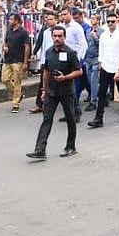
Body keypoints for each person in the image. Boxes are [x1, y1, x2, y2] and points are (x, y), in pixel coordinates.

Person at [27, 26, 83, 160]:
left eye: (60, 36)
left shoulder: (70, 52)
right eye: (55, 36)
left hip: (67, 91)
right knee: (47, 119)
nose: (57, 38)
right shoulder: (48, 52)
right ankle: (40, 149)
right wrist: (44, 90)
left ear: (64, 37)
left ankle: (71, 146)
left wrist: (66, 77)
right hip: (52, 91)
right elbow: (46, 71)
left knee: (70, 118)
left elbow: (79, 71)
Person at [87, 17, 119, 127]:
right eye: (109, 22)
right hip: (106, 66)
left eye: (113, 21)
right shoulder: (104, 35)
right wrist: (101, 67)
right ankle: (98, 118)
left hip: (117, 67)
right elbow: (101, 51)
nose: (111, 24)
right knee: (101, 93)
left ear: (116, 22)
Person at [2, 14, 31, 113]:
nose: (9, 21)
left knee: (17, 81)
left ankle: (15, 104)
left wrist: (25, 62)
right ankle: (18, 95)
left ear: (17, 21)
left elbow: (27, 46)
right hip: (8, 59)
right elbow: (5, 43)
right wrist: (4, 48)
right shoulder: (9, 31)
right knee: (5, 79)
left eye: (11, 19)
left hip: (18, 60)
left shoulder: (23, 32)